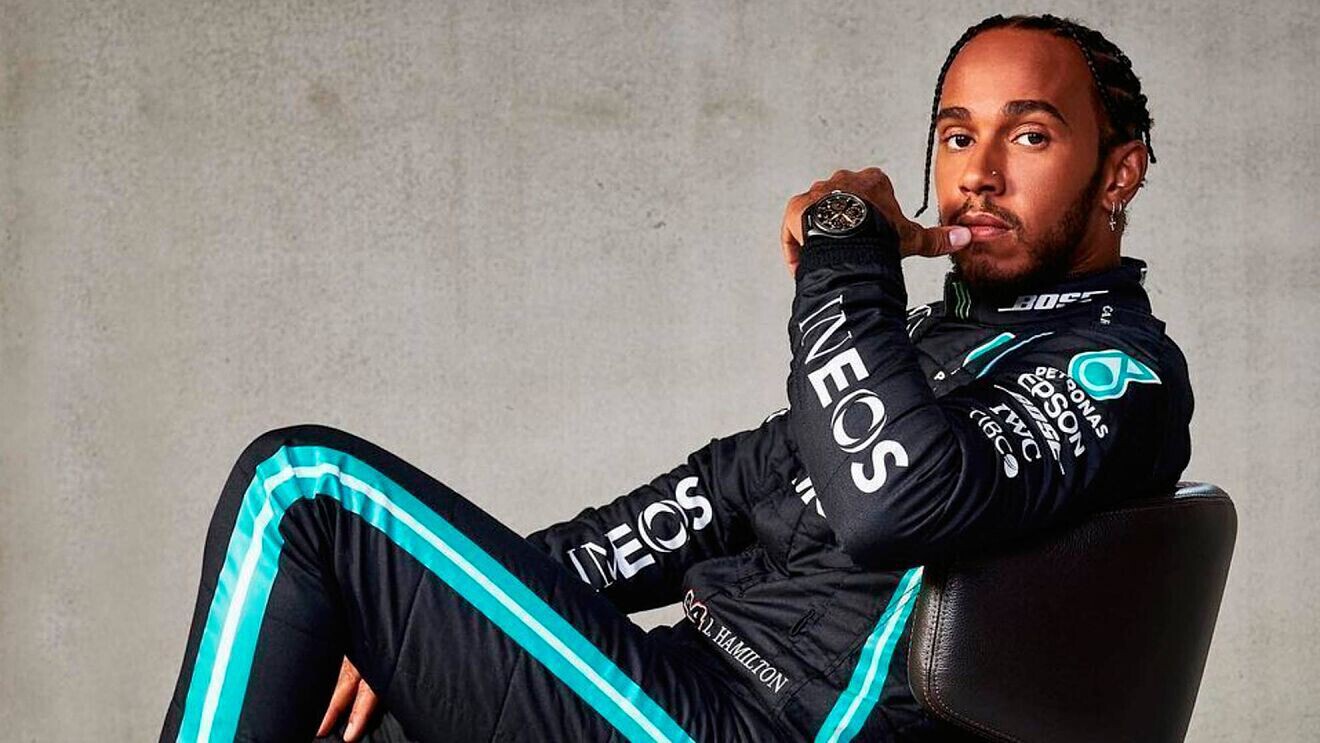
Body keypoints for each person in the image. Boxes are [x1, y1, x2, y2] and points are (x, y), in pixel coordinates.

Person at [159, 12, 1192, 743]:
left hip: (753, 726)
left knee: (302, 488)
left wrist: (844, 244)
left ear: (1120, 171)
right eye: (958, 135)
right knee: (358, 709)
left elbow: (895, 497)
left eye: (1030, 134)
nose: (979, 172)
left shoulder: (1119, 374)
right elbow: (713, 494)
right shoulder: (930, 342)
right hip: (678, 682)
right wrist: (430, 599)